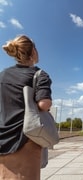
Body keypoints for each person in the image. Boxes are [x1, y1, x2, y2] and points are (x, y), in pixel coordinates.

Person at [0, 35, 52, 179]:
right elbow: (44, 104)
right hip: (25, 140)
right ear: (33, 52)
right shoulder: (38, 74)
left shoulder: (3, 75)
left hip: (2, 140)